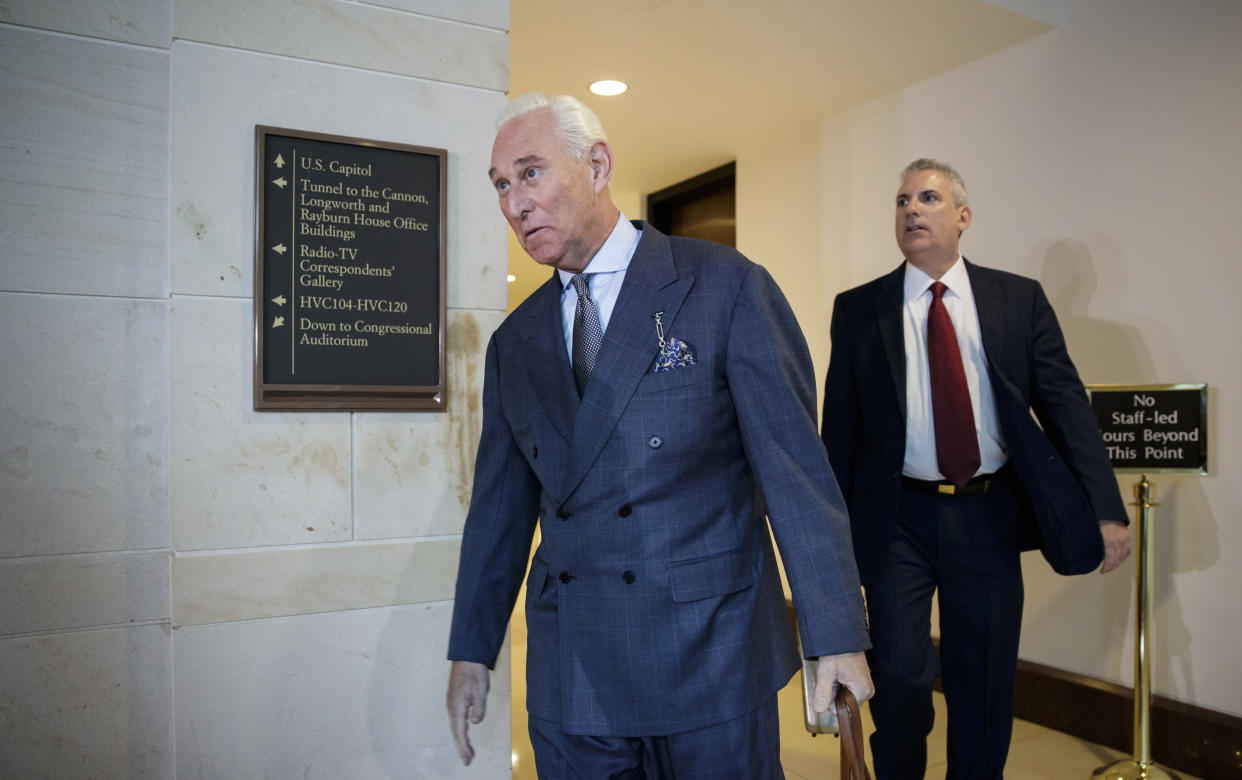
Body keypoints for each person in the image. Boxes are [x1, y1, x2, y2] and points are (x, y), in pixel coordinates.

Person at [445, 92, 872, 778]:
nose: (514, 203)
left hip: (710, 654)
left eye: (530, 173)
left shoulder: (725, 288)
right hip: (573, 669)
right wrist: (471, 649)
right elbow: (498, 507)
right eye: (500, 185)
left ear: (597, 164)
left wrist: (838, 637)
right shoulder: (514, 343)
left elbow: (796, 475)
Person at [820, 158, 1132, 779]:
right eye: (903, 199)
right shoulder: (859, 310)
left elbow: (1067, 407)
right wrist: (828, 544)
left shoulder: (1017, 301)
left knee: (984, 679)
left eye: (928, 198)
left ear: (962, 217)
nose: (911, 209)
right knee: (902, 676)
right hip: (897, 518)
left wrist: (1105, 509)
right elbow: (841, 432)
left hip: (988, 512)